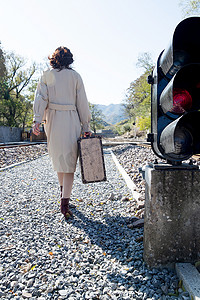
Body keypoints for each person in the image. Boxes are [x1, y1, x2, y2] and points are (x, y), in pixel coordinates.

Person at [32, 46, 91, 219]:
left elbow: (40, 98)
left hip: (53, 120)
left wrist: (37, 119)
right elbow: (82, 103)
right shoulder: (76, 77)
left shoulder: (47, 75)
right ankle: (65, 204)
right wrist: (86, 126)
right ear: (70, 60)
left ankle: (63, 196)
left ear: (53, 58)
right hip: (71, 118)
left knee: (59, 159)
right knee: (69, 163)